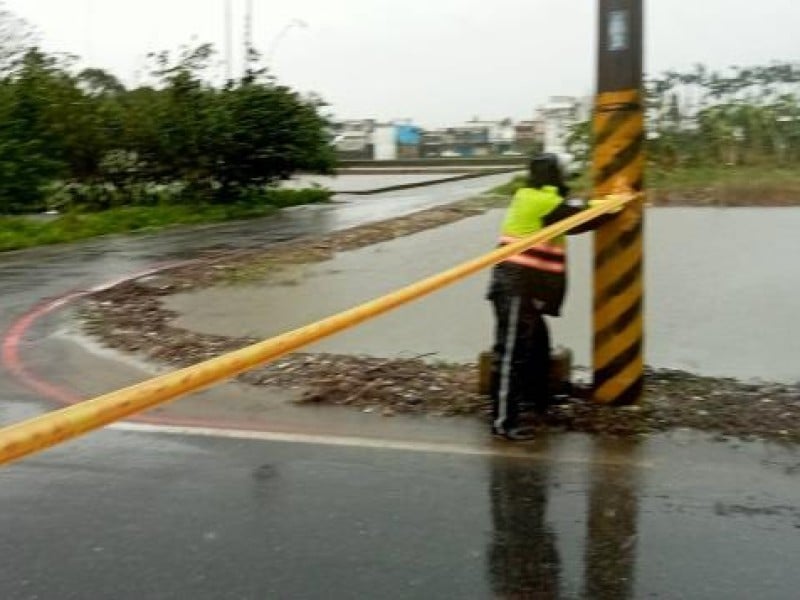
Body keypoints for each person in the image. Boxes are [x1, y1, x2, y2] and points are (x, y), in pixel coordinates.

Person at [487, 153, 613, 441]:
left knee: (538, 347)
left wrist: (607, 205)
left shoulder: (538, 198)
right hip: (514, 285)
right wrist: (613, 206)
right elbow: (582, 218)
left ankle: (536, 400)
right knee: (511, 355)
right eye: (562, 172)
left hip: (524, 287)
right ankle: (503, 421)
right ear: (553, 175)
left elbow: (576, 212)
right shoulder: (537, 200)